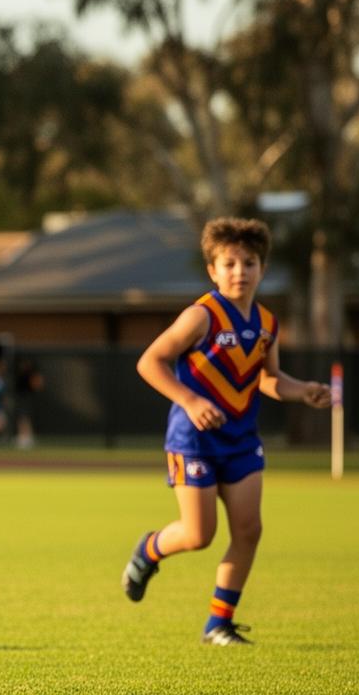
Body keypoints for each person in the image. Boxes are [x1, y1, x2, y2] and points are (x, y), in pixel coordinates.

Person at [121, 217, 331, 644]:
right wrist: (192, 401)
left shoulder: (267, 323)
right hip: (193, 440)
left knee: (249, 530)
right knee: (199, 534)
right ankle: (148, 550)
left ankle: (218, 623)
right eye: (229, 263)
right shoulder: (202, 315)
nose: (240, 271)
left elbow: (267, 379)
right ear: (213, 270)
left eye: (249, 263)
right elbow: (150, 362)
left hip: (240, 440)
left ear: (262, 268)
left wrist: (301, 390)